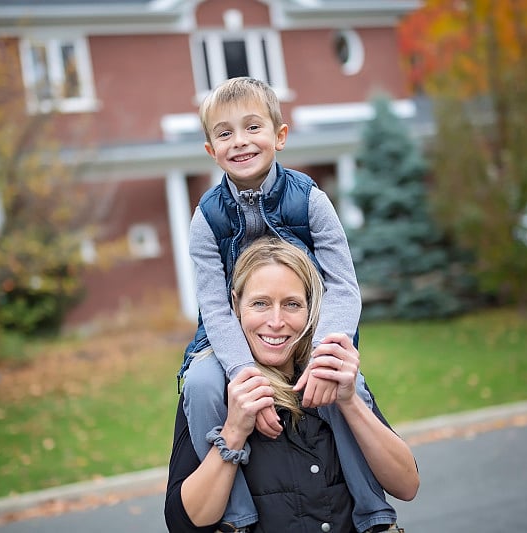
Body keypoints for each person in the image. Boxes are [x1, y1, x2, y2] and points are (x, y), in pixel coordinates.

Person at [176, 77, 394, 531]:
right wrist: (243, 373)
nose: (239, 141)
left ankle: (374, 514)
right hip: (231, 334)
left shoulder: (310, 199)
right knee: (199, 383)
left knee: (341, 384)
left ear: (279, 135)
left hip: (310, 326)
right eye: (224, 133)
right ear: (210, 149)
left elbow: (344, 286)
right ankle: (235, 518)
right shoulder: (206, 217)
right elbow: (215, 307)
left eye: (252, 127)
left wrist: (321, 356)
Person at [166, 237, 419, 532]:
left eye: (292, 304)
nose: (276, 321)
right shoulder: (212, 391)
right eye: (260, 303)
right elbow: (184, 524)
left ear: (310, 309)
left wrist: (349, 401)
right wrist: (234, 431)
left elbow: (406, 486)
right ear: (235, 304)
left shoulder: (330, 373)